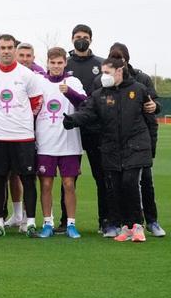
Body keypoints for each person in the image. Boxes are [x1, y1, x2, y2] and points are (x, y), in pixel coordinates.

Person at [63, 58, 156, 242]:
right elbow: (88, 112)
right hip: (111, 147)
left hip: (135, 145)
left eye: (107, 72)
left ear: (119, 71)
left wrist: (151, 143)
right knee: (116, 187)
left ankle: (137, 225)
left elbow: (151, 112)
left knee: (130, 183)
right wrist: (73, 119)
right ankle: (125, 227)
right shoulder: (100, 95)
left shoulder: (138, 89)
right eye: (103, 72)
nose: (103, 77)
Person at [0, 34, 44, 238]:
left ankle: (31, 223)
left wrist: (21, 122)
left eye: (10, 47)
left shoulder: (27, 75)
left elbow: (36, 103)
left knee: (28, 180)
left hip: (23, 137)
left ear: (15, 50)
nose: (7, 51)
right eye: (3, 47)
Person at [107, 42, 164, 237]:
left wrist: (155, 107)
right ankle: (123, 223)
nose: (118, 62)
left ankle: (152, 221)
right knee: (121, 184)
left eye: (120, 58)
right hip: (118, 144)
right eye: (113, 58)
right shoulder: (106, 81)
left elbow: (154, 107)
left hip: (141, 140)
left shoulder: (141, 79)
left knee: (145, 182)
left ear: (126, 59)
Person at [35, 48, 86, 238]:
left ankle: (71, 224)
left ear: (65, 63)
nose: (56, 66)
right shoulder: (39, 82)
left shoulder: (73, 82)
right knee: (46, 184)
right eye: (52, 62)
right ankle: (48, 223)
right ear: (47, 63)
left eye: (59, 63)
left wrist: (70, 93)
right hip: (45, 142)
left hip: (69, 142)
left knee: (69, 184)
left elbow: (85, 104)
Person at [62, 24, 106, 232]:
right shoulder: (65, 64)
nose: (82, 39)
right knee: (69, 177)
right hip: (71, 128)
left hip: (96, 128)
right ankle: (65, 220)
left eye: (85, 37)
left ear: (91, 39)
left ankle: (105, 220)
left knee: (101, 175)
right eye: (78, 36)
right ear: (72, 39)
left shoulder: (101, 64)